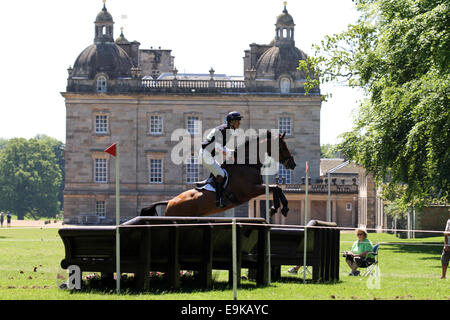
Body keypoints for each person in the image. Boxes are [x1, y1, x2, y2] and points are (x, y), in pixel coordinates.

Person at [200, 111, 242, 208]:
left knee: (224, 170)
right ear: (231, 122)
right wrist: (231, 153)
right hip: (206, 155)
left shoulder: (226, 130)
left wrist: (231, 152)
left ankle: (211, 185)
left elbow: (219, 147)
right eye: (237, 120)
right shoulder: (224, 130)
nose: (239, 123)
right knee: (221, 175)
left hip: (208, 155)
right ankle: (218, 200)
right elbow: (219, 148)